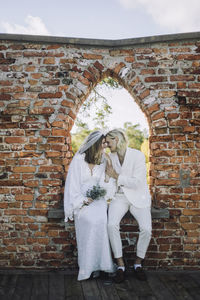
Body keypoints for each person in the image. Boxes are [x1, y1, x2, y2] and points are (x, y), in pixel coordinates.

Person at [64, 130, 116, 281]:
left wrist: (107, 175)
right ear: (95, 144)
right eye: (103, 143)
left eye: (106, 143)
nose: (105, 146)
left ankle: (103, 265)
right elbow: (72, 184)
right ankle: (89, 267)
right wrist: (82, 200)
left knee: (100, 220)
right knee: (89, 221)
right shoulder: (79, 159)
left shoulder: (104, 160)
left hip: (98, 199)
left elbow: (106, 185)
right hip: (81, 199)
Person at [105, 128, 152, 283]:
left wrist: (116, 176)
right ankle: (120, 265)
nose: (106, 144)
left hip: (139, 196)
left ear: (117, 140)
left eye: (108, 141)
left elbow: (137, 182)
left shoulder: (137, 155)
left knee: (146, 229)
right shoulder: (109, 157)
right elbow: (108, 179)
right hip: (119, 197)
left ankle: (138, 263)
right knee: (111, 225)